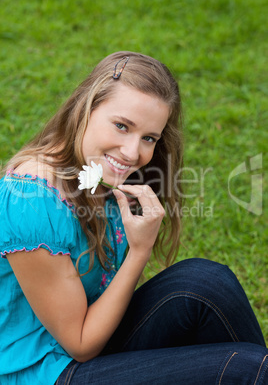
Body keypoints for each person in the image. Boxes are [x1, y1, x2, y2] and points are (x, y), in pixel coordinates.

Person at [0, 51, 267, 385]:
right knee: (246, 369)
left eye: (149, 138)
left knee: (206, 282)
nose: (132, 152)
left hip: (92, 342)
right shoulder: (31, 199)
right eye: (121, 125)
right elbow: (81, 344)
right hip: (45, 372)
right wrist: (140, 251)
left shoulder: (99, 176)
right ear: (86, 107)